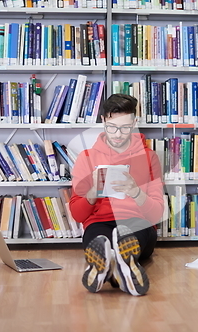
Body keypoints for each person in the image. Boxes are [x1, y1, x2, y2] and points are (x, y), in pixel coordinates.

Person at [70, 94, 164, 296]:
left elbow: (156, 213)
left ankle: (109, 268)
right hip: (99, 223)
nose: (118, 134)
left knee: (128, 232)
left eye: (125, 127)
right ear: (103, 120)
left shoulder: (149, 157)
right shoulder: (86, 158)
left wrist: (135, 191)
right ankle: (120, 269)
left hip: (138, 223)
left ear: (134, 123)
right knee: (99, 238)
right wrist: (93, 192)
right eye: (112, 127)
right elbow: (78, 215)